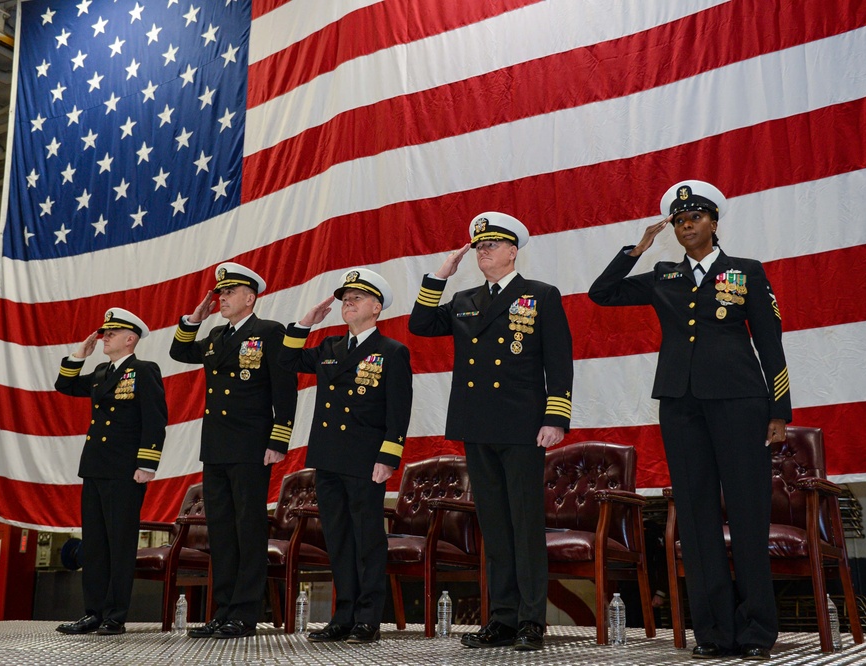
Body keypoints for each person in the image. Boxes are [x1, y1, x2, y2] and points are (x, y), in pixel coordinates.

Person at [588, 180, 792, 661]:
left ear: (714, 223)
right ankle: (715, 632)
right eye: (679, 221)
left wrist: (779, 410)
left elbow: (771, 342)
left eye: (695, 217)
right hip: (680, 406)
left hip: (741, 402)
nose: (685, 225)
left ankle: (757, 631)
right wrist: (636, 248)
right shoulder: (663, 276)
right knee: (696, 519)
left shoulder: (746, 272)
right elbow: (602, 293)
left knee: (746, 514)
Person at [409, 212, 574, 651]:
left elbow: (558, 361)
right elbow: (420, 325)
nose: (483, 252)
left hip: (522, 426)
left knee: (524, 524)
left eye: (492, 245)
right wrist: (438, 276)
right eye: (479, 247)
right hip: (477, 423)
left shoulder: (539, 295)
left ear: (513, 251)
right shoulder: (464, 299)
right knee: (495, 527)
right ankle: (501, 618)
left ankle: (530, 621)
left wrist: (555, 417)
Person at [278, 268, 412, 644]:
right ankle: (343, 614)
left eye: (356, 298)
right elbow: (287, 361)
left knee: (367, 539)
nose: (347, 303)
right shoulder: (329, 348)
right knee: (337, 538)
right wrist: (305, 323)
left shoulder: (391, 352)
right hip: (329, 457)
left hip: (366, 459)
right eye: (345, 298)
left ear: (377, 308)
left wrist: (388, 457)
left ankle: (368, 617)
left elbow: (398, 411)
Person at [169, 262, 298, 639]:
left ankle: (244, 612)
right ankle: (222, 609)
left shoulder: (269, 332)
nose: (221, 297)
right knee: (221, 531)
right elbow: (180, 351)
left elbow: (284, 389)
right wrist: (193, 319)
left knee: (248, 528)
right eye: (220, 293)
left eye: (229, 292)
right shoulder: (214, 338)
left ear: (250, 297)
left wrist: (278, 439)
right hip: (216, 446)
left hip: (251, 446)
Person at [55, 308, 168, 636]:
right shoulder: (102, 372)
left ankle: (115, 616)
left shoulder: (144, 370)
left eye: (112, 332)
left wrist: (147, 464)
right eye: (104, 331)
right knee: (94, 543)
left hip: (125, 470)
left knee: (119, 544)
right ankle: (93, 612)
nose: (104, 336)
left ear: (130, 338)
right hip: (95, 466)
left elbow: (155, 418)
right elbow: (64, 384)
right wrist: (80, 355)